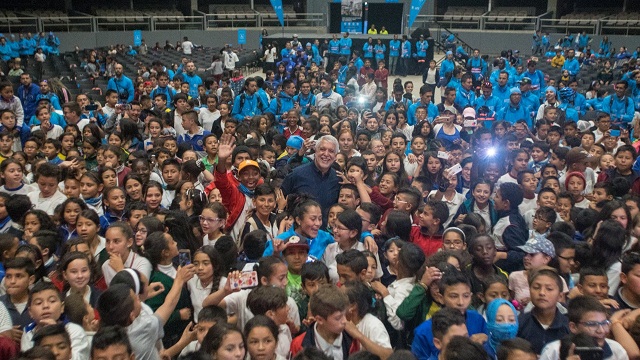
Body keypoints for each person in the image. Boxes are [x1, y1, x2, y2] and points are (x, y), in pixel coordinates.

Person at [281, 135, 340, 228]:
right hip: (299, 236)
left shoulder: (338, 179)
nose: (326, 154)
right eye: (322, 149)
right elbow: (281, 200)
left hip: (327, 237)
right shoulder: (297, 174)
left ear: (336, 156)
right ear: (315, 151)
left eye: (331, 151)